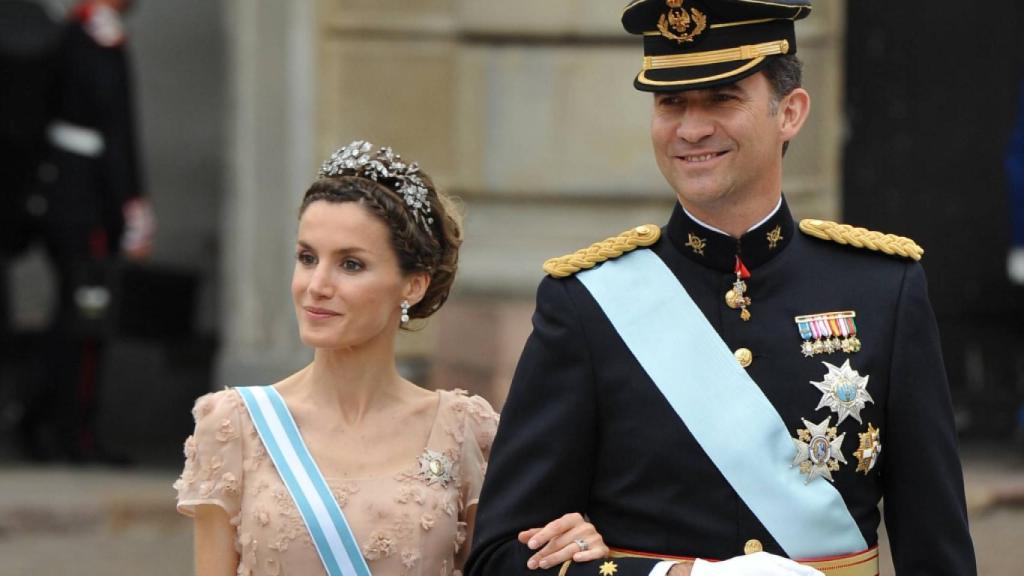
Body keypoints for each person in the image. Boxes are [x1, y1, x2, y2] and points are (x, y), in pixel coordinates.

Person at [466, 1, 976, 575]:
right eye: (671, 103)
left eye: (722, 98)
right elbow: (500, 558)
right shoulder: (587, 303)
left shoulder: (883, 288)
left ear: (790, 113)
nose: (691, 129)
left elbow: (938, 552)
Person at [174, 141, 611, 575]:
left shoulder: (464, 430)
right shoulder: (235, 424)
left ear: (413, 286)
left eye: (350, 264)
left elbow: (508, 565)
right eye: (307, 258)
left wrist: (576, 549)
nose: (316, 285)